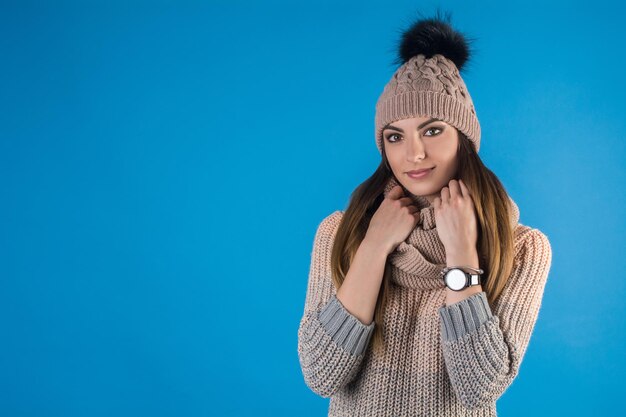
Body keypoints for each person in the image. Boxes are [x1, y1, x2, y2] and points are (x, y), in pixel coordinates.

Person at [296, 9, 553, 417]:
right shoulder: (339, 232)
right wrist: (375, 245)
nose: (413, 154)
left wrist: (462, 254)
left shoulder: (521, 248)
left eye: (432, 130)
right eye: (395, 136)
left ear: (464, 138)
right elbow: (321, 374)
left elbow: (480, 387)